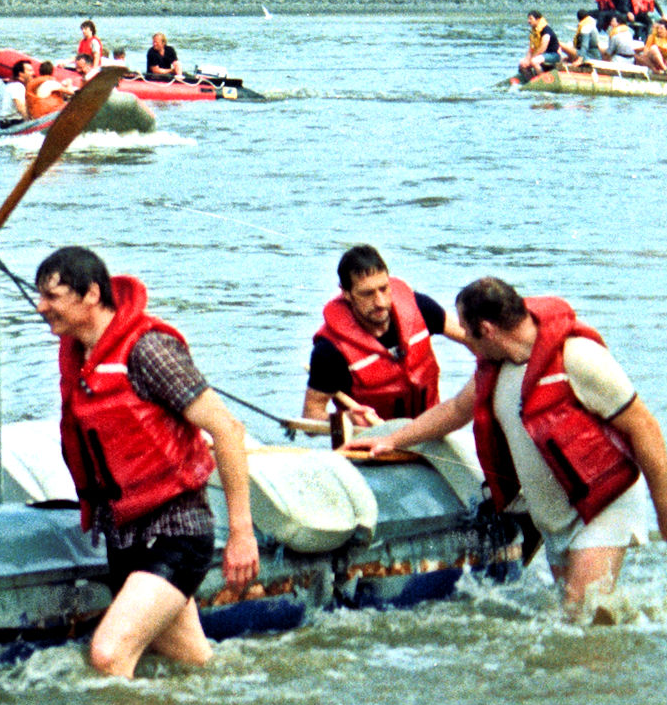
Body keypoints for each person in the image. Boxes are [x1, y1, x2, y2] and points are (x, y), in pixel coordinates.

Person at [362, 278, 667, 620]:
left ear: (487, 330)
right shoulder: (497, 367)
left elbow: (644, 427)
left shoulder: (577, 357)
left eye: (466, 329)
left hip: (604, 503)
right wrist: (392, 439)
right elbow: (455, 410)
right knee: (577, 621)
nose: (463, 338)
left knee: (579, 614)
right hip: (555, 515)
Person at [35, 247, 259, 678]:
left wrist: (241, 533)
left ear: (91, 294)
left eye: (52, 296)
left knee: (108, 654)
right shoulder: (80, 357)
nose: (41, 307)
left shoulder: (148, 351)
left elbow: (227, 429)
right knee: (191, 664)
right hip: (124, 535)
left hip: (176, 531)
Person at [304, 245, 471, 427]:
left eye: (383, 289)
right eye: (367, 293)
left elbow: (474, 339)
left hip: (430, 431)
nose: (380, 302)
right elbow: (311, 418)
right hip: (372, 440)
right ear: (346, 294)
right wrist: (348, 420)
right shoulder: (330, 351)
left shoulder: (419, 308)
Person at [517, 11, 561, 79]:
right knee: (522, 63)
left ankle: (543, 79)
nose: (528, 21)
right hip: (541, 55)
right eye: (528, 19)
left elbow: (543, 47)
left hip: (553, 55)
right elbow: (531, 48)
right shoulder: (534, 32)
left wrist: (531, 58)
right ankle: (531, 80)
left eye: (531, 19)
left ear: (537, 19)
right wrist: (527, 59)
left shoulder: (546, 30)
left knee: (534, 61)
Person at [0, 58, 31, 126]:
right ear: (21, 74)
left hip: (5, 121)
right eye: (29, 71)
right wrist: (30, 121)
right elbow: (20, 106)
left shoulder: (11, 84)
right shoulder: (18, 86)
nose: (33, 73)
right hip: (12, 122)